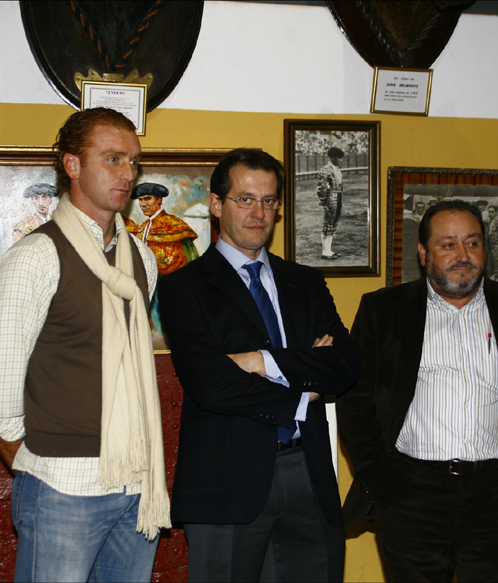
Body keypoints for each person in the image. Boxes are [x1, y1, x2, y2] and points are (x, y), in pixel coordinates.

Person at [0, 108, 170, 583]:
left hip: (138, 481)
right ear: (72, 165)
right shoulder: (36, 256)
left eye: (134, 162)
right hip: (62, 487)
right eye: (113, 159)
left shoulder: (142, 258)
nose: (128, 174)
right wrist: (42, 470)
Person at [158, 148, 360, 582]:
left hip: (309, 475)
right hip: (227, 483)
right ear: (217, 204)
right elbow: (212, 384)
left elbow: (345, 364)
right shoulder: (183, 288)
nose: (259, 213)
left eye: (269, 201)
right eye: (245, 199)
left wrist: (260, 361)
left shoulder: (305, 282)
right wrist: (302, 393)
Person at [337, 200, 498, 582]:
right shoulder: (384, 311)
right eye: (448, 245)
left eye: (472, 243)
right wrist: (381, 480)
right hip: (410, 494)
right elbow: (355, 402)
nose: (463, 255)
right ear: (423, 253)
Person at [130, 181, 199, 275]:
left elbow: (189, 258)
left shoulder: (174, 224)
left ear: (159, 200)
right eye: (140, 200)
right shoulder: (143, 227)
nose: (143, 204)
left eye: (147, 198)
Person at [316, 146, 344, 259]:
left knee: (333, 224)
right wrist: (324, 201)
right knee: (328, 224)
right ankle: (325, 251)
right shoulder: (325, 170)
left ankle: (329, 250)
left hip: (338, 197)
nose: (341, 160)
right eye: (339, 158)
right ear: (332, 158)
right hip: (330, 199)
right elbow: (321, 188)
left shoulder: (337, 169)